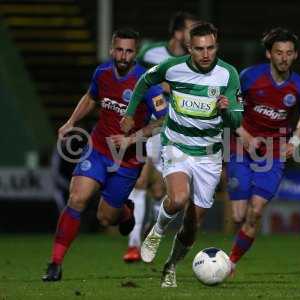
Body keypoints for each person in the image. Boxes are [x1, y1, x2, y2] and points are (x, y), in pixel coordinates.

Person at [120, 22, 243, 287]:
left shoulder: (228, 74)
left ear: (216, 45)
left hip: (209, 155)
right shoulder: (173, 67)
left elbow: (236, 121)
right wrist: (130, 113)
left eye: (210, 47)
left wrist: (226, 110)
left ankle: (170, 266)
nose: (206, 54)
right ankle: (157, 230)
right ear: (190, 48)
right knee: (177, 200)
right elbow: (143, 81)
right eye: (199, 49)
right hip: (176, 145)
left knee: (192, 224)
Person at [42, 28, 168, 281]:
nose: (123, 56)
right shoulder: (102, 73)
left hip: (130, 159)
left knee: (106, 218)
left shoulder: (147, 82)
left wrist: (131, 138)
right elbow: (91, 98)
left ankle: (126, 213)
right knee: (77, 198)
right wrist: (71, 122)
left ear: (135, 53)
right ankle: (55, 263)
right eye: (119, 50)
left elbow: (163, 121)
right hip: (99, 149)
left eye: (129, 51)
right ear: (112, 50)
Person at [227, 27, 300, 274]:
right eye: (279, 52)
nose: (284, 57)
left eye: (289, 53)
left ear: (295, 55)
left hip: (274, 154)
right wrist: (244, 135)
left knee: (255, 212)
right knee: (238, 215)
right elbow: (228, 107)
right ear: (269, 54)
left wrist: (295, 142)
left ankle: (230, 261)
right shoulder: (248, 78)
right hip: (241, 149)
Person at [123, 11, 199, 263]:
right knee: (141, 181)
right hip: (150, 125)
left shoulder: (197, 59)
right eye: (191, 29)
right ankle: (133, 244)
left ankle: (149, 230)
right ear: (178, 33)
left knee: (161, 190)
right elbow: (135, 79)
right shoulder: (150, 53)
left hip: (177, 129)